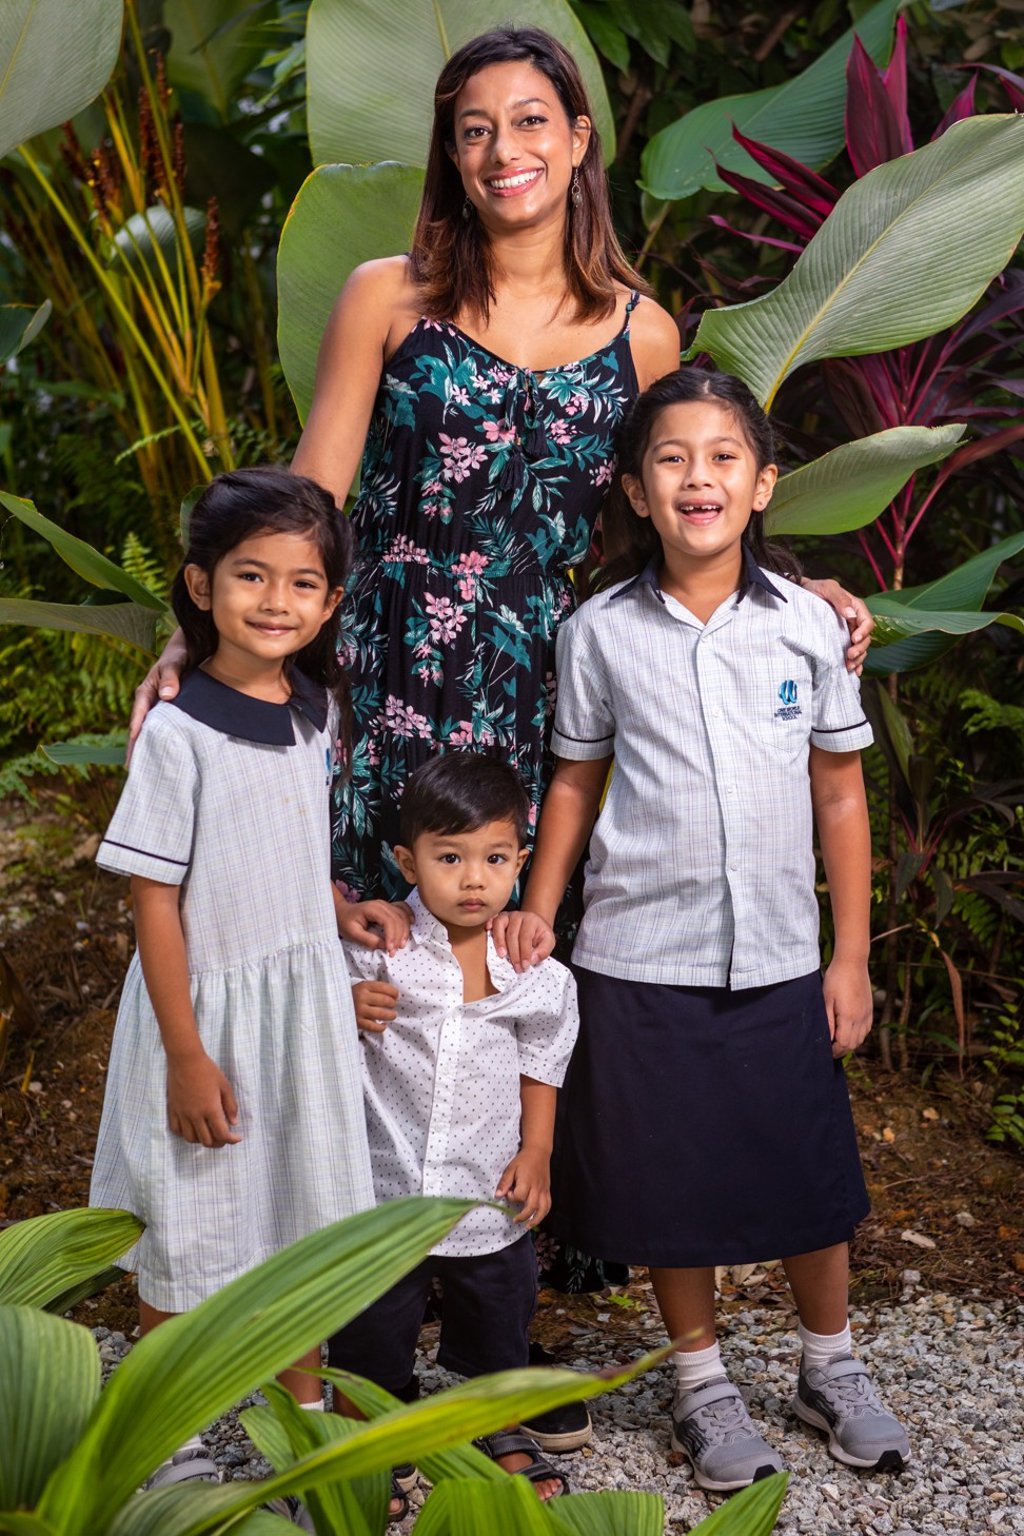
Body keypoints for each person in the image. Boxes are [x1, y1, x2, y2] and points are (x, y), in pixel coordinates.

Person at [498, 369, 911, 1492]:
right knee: (669, 1178)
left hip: (779, 953)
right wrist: (537, 903)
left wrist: (850, 955)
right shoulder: (598, 632)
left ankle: (829, 1364)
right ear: (637, 490)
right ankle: (700, 1381)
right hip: (639, 952)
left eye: (724, 456)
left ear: (763, 482)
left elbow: (840, 793)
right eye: (671, 458)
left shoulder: (807, 626)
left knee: (809, 1170)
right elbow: (575, 779)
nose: (699, 478)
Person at [91, 466, 375, 1503]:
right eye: (250, 575)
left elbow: (284, 843)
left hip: (299, 1017)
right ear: (199, 584)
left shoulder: (315, 708)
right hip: (205, 1014)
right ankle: (166, 1434)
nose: (275, 601)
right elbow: (156, 899)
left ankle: (301, 1422)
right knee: (189, 1218)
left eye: (302, 583)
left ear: (330, 602)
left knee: (302, 1210)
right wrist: (185, 1053)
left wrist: (335, 910)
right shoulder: (177, 733)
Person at [328, 752, 579, 1515]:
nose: (474, 880)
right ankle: (372, 1434)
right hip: (388, 1192)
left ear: (520, 862)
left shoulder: (530, 968)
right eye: (450, 859)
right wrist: (345, 1006)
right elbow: (310, 1025)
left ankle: (494, 1425)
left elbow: (542, 1058)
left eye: (494, 859)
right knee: (372, 1327)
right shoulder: (377, 949)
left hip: (486, 1191)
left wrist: (538, 1151)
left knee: (499, 1317)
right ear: (408, 862)